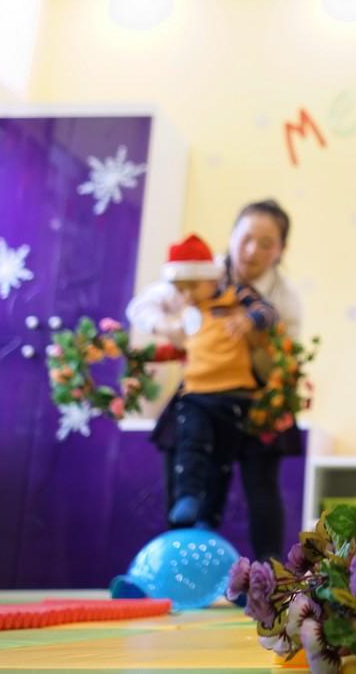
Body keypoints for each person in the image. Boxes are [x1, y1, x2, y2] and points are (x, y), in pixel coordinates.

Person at [129, 201, 302, 558]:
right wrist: (170, 328)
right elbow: (141, 307)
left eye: (266, 244)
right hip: (201, 389)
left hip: (257, 395)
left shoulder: (283, 297)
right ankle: (177, 560)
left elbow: (290, 354)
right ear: (232, 236)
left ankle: (269, 573)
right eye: (246, 238)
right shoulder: (200, 275)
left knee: (262, 485)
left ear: (280, 250)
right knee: (185, 462)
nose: (252, 251)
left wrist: (253, 339)